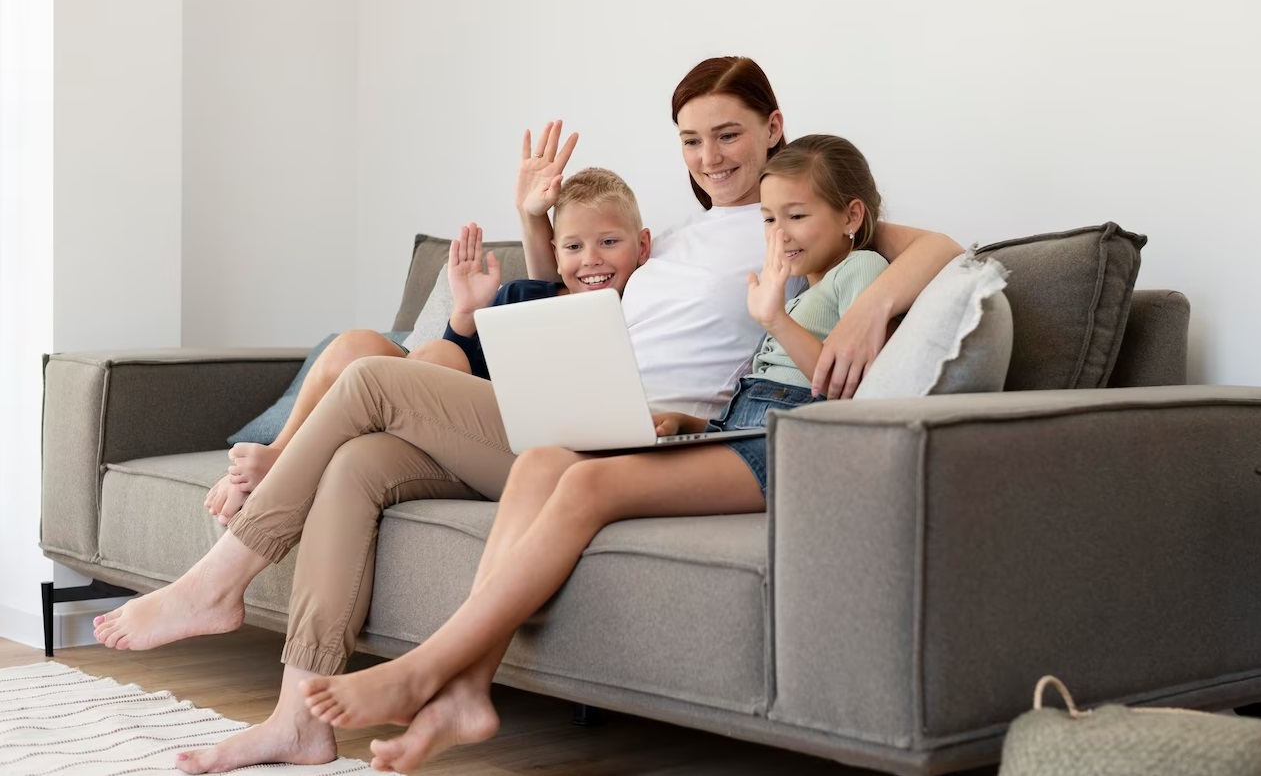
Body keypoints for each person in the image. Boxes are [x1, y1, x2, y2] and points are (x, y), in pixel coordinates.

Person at [91, 57, 962, 775]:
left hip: (639, 427)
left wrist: (870, 303)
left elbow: (936, 247)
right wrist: (532, 220)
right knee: (359, 464)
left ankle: (219, 579)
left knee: (370, 384)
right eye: (692, 139)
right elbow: (570, 292)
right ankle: (297, 719)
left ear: (774, 126)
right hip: (574, 406)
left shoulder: (794, 223)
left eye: (728, 133)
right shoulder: (671, 235)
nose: (710, 155)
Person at [296, 134, 889, 771]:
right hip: (741, 433)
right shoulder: (800, 284)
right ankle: (468, 693)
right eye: (769, 221)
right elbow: (749, 396)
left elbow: (836, 384)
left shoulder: (865, 272)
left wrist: (773, 318)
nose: (779, 235)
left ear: (851, 216)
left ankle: (430, 668)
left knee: (584, 486)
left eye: (794, 218)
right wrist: (687, 419)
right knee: (541, 460)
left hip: (794, 446)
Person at [204, 166, 648, 525]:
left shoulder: (647, 307)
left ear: (641, 246)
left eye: (608, 242)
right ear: (555, 252)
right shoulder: (522, 295)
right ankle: (283, 452)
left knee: (422, 365)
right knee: (362, 346)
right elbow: (460, 363)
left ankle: (286, 468)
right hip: (442, 405)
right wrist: (465, 314)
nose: (591, 258)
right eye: (574, 246)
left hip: (488, 439)